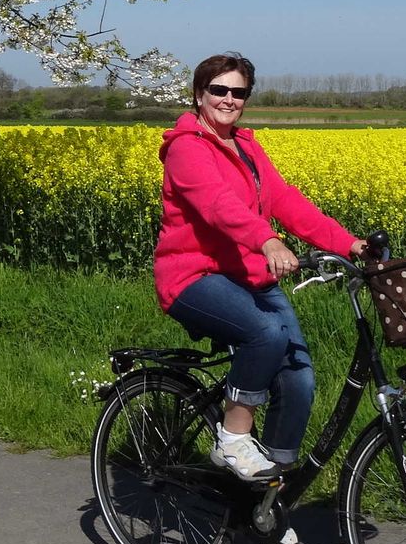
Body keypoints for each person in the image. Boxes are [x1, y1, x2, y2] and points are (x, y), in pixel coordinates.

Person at [156, 53, 366, 499]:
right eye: (219, 90)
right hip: (194, 277)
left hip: (249, 276)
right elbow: (217, 205)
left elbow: (287, 202)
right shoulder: (186, 147)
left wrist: (348, 244)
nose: (229, 100)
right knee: (265, 335)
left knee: (299, 377)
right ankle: (232, 440)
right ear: (199, 94)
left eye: (239, 92)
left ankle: (269, 495)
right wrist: (267, 241)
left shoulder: (248, 148)